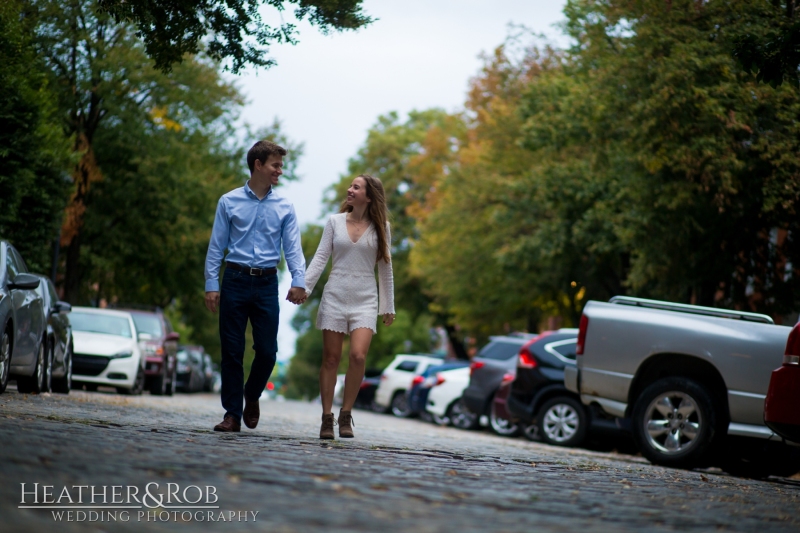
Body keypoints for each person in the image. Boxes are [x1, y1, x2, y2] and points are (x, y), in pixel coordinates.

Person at [204, 140, 307, 433]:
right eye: (276, 165)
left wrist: (299, 280)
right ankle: (232, 414)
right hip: (234, 280)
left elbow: (293, 249)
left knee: (267, 351)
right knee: (232, 351)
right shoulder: (228, 201)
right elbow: (216, 248)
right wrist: (212, 284)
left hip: (266, 283)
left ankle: (252, 393)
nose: (280, 171)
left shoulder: (285, 206)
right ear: (258, 165)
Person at [304, 174, 395, 439]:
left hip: (365, 298)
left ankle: (346, 414)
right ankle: (326, 417)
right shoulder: (334, 222)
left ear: (369, 196)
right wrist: (305, 288)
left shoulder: (382, 228)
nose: (350, 190)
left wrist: (388, 305)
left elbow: (386, 267)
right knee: (331, 359)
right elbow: (321, 256)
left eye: (356, 187)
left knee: (357, 356)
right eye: (351, 186)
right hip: (335, 294)